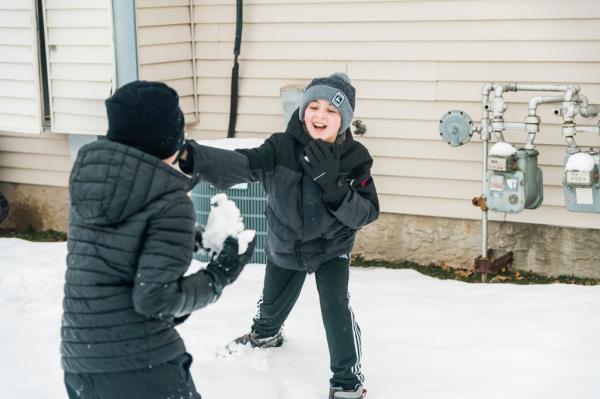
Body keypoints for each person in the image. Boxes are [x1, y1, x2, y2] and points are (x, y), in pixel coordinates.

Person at [178, 72, 379, 399]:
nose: (320, 115)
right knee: (272, 306)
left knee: (335, 307)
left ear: (344, 120)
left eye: (331, 110)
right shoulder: (281, 147)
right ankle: (265, 336)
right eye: (313, 106)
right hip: (287, 243)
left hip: (332, 247)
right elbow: (243, 163)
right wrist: (194, 157)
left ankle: (346, 382)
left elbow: (367, 212)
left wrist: (334, 187)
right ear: (303, 111)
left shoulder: (356, 158)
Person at [61, 80, 255, 399]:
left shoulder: (90, 183)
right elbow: (154, 299)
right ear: (172, 141)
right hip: (142, 366)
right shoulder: (170, 201)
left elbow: (116, 250)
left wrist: (191, 240)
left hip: (82, 364)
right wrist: (219, 275)